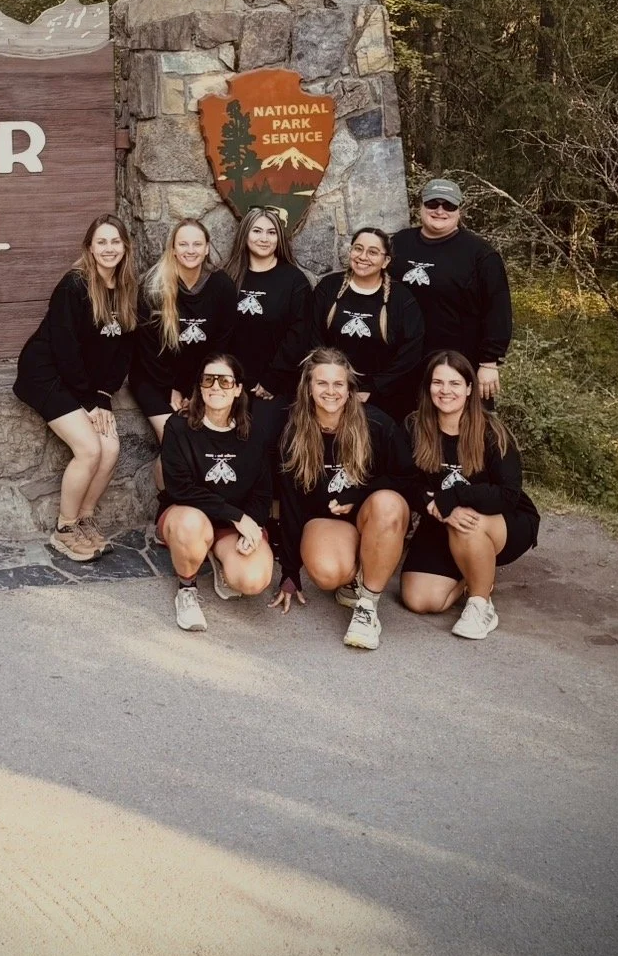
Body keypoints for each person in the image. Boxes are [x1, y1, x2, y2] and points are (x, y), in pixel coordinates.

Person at [270, 348, 416, 650]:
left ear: (350, 390)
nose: (331, 391)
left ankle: (367, 605)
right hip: (328, 521)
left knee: (387, 503)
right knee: (327, 573)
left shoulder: (376, 424)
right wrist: (289, 571)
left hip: (372, 516)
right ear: (308, 388)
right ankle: (359, 574)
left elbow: (408, 479)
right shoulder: (293, 431)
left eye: (339, 384)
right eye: (322, 383)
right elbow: (291, 503)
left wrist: (361, 493)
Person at [14, 213, 138, 563]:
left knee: (110, 449)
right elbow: (65, 350)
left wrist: (102, 395)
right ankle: (64, 530)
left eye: (115, 241)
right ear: (89, 247)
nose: (109, 248)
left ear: (125, 247)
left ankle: (84, 520)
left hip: (87, 386)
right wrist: (88, 400)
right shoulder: (74, 286)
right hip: (47, 374)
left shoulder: (127, 288)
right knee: (89, 449)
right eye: (101, 242)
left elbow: (124, 352)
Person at [400, 350, 540, 639]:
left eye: (454, 383)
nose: (445, 390)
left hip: (503, 521)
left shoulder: (492, 432)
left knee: (468, 521)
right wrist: (430, 503)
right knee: (420, 600)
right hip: (442, 520)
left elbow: (508, 494)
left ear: (468, 388)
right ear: (428, 387)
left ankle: (480, 604)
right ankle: (472, 573)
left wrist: (455, 498)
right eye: (438, 383)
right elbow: (405, 480)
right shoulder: (415, 426)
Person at [156, 353, 278, 632]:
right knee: (190, 524)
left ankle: (217, 556)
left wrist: (254, 525)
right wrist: (236, 516)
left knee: (253, 580)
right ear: (199, 386)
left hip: (231, 526)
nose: (215, 387)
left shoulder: (254, 433)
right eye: (208, 380)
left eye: (225, 381)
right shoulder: (178, 427)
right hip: (188, 515)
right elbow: (180, 489)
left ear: (237, 389)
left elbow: (262, 492)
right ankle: (187, 588)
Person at [389, 178, 512, 407]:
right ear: (421, 207)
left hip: (458, 366)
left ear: (459, 211)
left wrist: (489, 363)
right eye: (432, 204)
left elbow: (498, 309)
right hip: (404, 361)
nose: (439, 211)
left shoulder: (481, 255)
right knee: (407, 429)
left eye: (448, 205)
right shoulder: (399, 243)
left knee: (462, 433)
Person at [131, 218, 238, 464]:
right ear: (173, 249)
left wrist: (197, 388)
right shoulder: (153, 286)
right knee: (173, 439)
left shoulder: (222, 286)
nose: (191, 250)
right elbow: (148, 348)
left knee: (203, 442)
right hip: (155, 378)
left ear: (207, 248)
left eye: (197, 244)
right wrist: (171, 387)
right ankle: (170, 502)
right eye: (184, 244)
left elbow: (221, 344)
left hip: (201, 380)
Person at [309, 228, 424, 421]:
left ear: (386, 260)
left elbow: (411, 352)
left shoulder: (401, 299)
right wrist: (336, 385)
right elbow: (312, 335)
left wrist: (372, 388)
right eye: (358, 249)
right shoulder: (328, 288)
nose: (363, 257)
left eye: (372, 252)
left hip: (382, 398)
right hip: (330, 392)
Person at [223, 206, 311, 418]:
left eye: (271, 232)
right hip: (229, 385)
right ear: (244, 235)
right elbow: (219, 333)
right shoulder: (228, 278)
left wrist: (273, 380)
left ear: (279, 238)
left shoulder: (294, 281)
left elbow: (299, 336)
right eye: (257, 231)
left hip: (274, 388)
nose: (264, 238)